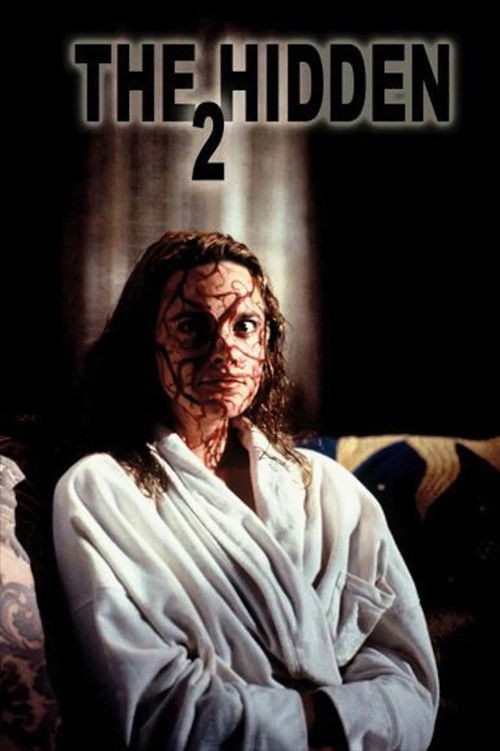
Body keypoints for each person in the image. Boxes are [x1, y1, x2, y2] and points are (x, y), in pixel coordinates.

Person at [53, 231, 439, 751]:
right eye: (192, 326)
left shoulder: (330, 491)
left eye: (245, 326)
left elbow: (411, 687)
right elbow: (154, 708)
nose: (225, 350)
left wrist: (315, 717)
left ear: (267, 343)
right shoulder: (103, 490)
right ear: (144, 344)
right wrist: (336, 718)